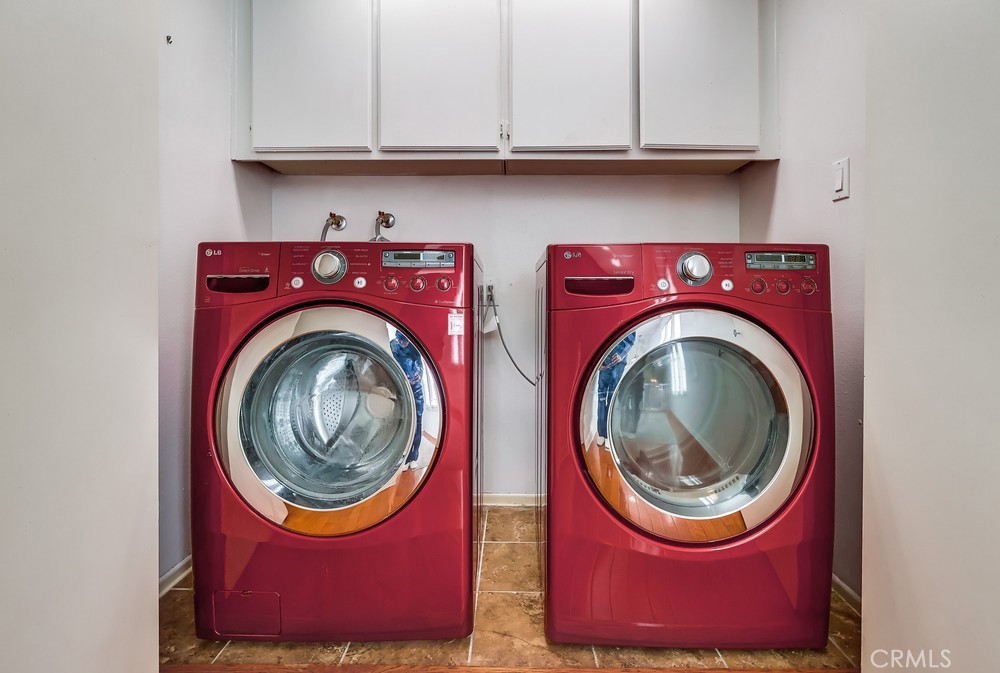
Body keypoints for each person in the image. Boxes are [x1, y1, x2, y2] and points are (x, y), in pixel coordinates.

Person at [390, 330, 424, 470]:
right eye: (401, 341)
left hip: (415, 388)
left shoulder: (414, 347)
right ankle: (403, 457)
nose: (404, 344)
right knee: (402, 421)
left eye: (406, 341)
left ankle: (413, 457)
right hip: (399, 387)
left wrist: (416, 376)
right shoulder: (392, 346)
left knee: (417, 421)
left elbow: (420, 366)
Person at [597, 332, 635, 446]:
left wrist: (621, 354)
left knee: (612, 398)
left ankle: (609, 434)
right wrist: (599, 360)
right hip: (604, 362)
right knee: (601, 398)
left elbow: (631, 338)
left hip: (618, 363)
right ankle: (601, 434)